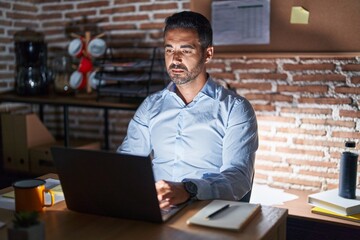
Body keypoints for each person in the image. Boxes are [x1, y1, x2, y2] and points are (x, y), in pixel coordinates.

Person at [117, 11, 258, 209]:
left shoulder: (235, 109)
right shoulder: (151, 105)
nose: (175, 59)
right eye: (169, 50)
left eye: (186, 50)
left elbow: (238, 178)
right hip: (156, 209)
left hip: (206, 210)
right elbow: (127, 162)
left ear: (208, 53)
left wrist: (188, 189)